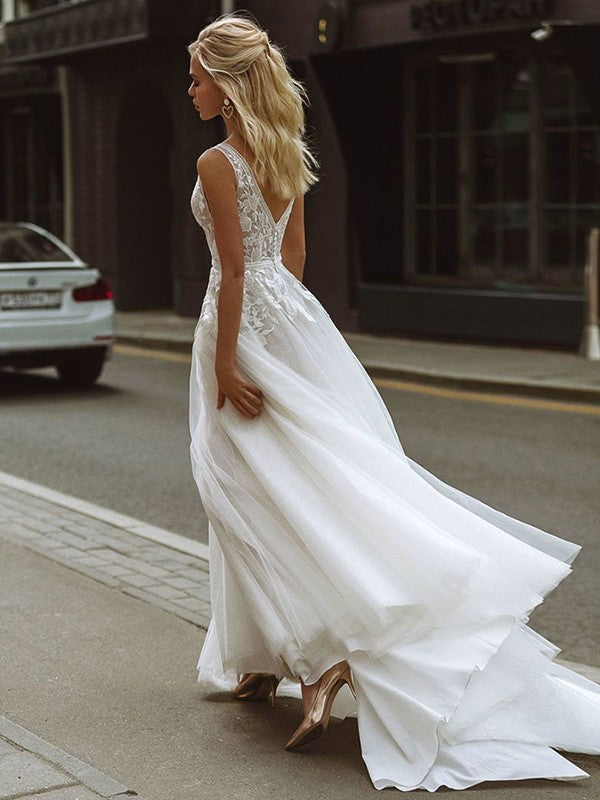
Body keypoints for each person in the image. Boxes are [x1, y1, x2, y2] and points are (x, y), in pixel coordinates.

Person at [187, 12, 600, 792]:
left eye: (199, 77)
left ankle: (319, 660)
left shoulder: (216, 161)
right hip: (293, 325)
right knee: (298, 489)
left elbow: (234, 272)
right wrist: (291, 340)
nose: (192, 89)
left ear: (230, 86)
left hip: (239, 331)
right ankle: (263, 659)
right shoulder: (284, 152)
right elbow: (293, 258)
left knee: (243, 494)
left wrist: (226, 366)